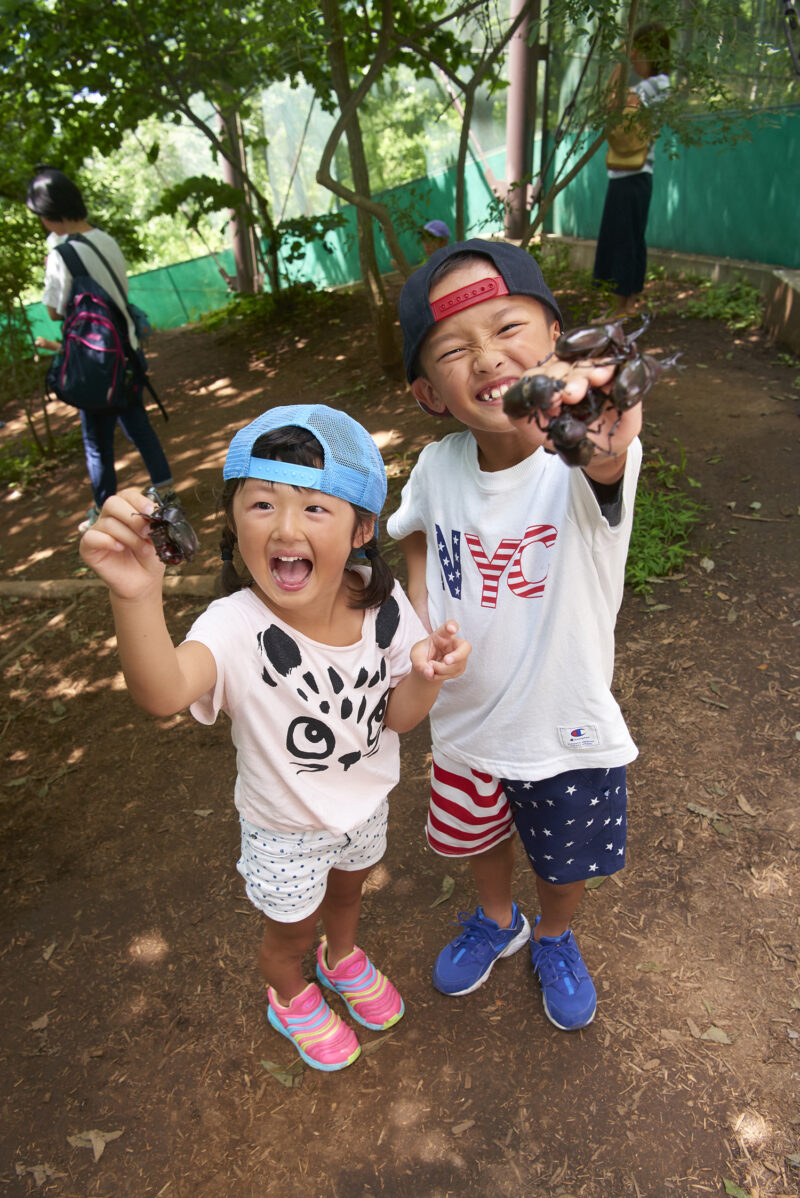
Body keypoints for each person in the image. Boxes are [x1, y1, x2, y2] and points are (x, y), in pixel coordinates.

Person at [79, 403, 470, 1071]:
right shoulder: (233, 627)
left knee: (350, 889)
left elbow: (399, 717)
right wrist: (137, 595)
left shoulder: (381, 604)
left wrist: (426, 678)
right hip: (284, 829)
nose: (287, 527)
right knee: (288, 930)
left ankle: (341, 956)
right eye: (262, 504)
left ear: (362, 528)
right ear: (233, 522)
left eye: (316, 508)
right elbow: (163, 692)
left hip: (366, 803)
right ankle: (290, 992)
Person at [386, 238, 642, 1031]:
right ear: (431, 392)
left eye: (508, 328)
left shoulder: (578, 461)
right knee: (477, 838)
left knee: (562, 860)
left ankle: (556, 935)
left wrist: (603, 426)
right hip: (464, 723)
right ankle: (500, 921)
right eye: (456, 350)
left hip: (562, 727)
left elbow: (607, 456)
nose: (488, 358)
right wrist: (424, 622)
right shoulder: (437, 464)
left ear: (555, 338)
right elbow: (416, 534)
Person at [26, 167, 175, 531]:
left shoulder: (62, 254)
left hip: (96, 361)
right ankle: (167, 492)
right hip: (127, 350)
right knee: (138, 424)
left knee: (96, 442)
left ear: (48, 214)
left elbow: (53, 309)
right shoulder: (105, 239)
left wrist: (54, 264)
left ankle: (102, 509)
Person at [592, 24, 672, 319]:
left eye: (638, 53)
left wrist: (621, 61)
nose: (635, 60)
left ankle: (618, 310)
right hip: (634, 175)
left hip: (631, 175)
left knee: (623, 240)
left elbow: (612, 102)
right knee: (631, 238)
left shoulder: (655, 85)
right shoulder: (655, 86)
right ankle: (627, 306)